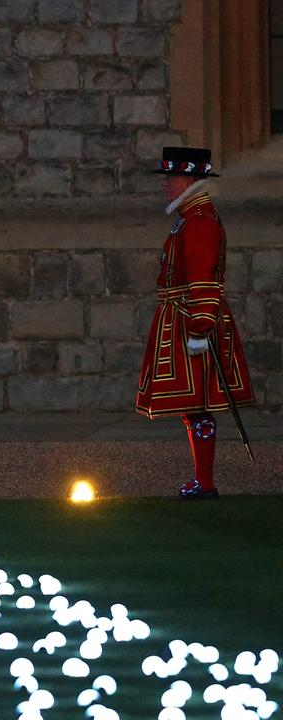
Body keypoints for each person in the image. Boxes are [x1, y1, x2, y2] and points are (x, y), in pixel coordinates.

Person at [135, 146, 254, 500]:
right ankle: (202, 479)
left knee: (197, 405)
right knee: (194, 407)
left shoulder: (199, 221)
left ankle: (204, 481)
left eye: (171, 178)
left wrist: (200, 327)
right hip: (183, 316)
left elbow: (203, 278)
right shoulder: (191, 216)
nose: (165, 185)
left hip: (190, 321)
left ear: (188, 179)